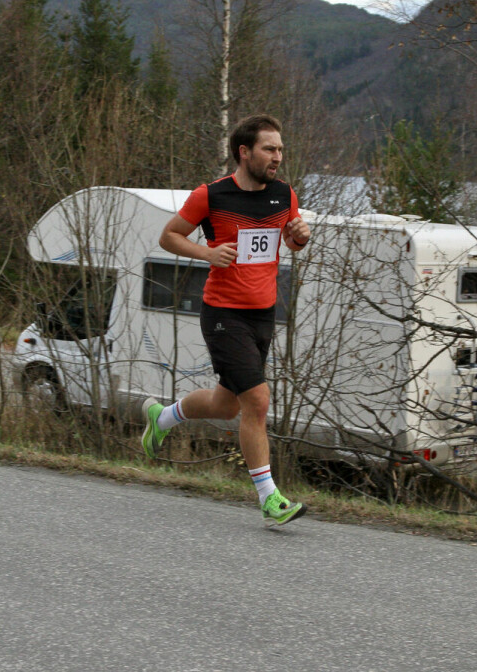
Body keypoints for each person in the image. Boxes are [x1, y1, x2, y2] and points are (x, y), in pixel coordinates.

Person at [142, 114, 311, 527]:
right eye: (270, 149)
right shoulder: (211, 196)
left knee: (225, 404)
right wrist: (207, 254)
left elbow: (289, 241)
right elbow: (169, 236)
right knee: (257, 400)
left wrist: (300, 238)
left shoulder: (283, 194)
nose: (278, 157)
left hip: (263, 314)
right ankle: (270, 498)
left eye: (281, 150)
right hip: (223, 313)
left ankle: (162, 418)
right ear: (244, 152)